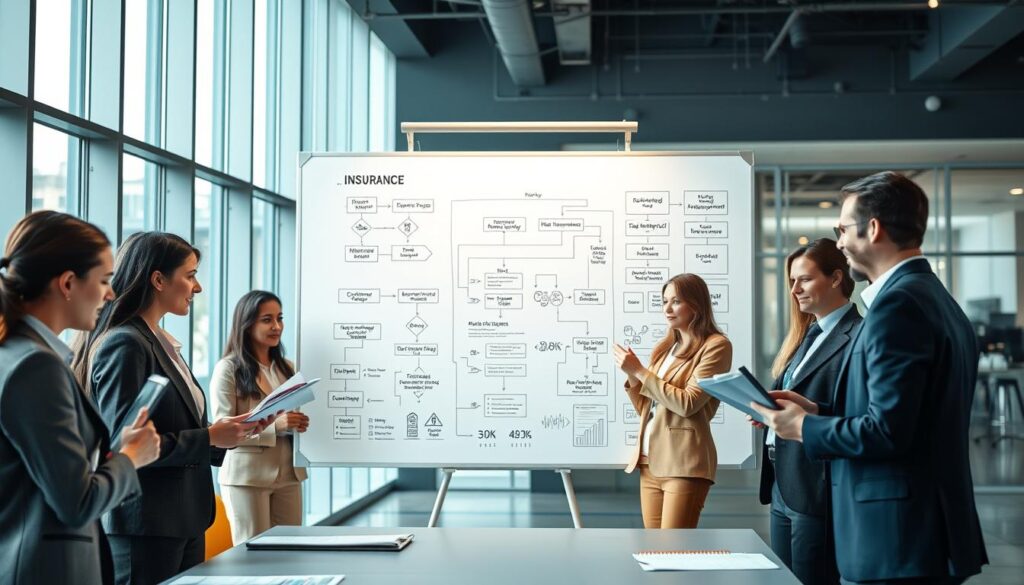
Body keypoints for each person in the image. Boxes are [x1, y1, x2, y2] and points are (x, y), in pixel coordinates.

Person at [752, 172, 988, 584]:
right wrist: (818, 410)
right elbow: (912, 418)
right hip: (920, 533)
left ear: (872, 228)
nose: (839, 243)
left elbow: (888, 431)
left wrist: (806, 426)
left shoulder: (898, 307)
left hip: (895, 538)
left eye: (842, 229)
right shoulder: (932, 296)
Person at [74, 232, 276, 585]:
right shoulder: (126, 343)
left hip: (180, 519)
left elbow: (173, 425)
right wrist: (210, 435)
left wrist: (230, 434)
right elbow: (125, 444)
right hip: (145, 524)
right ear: (157, 280)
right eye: (190, 274)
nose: (197, 287)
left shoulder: (159, 342)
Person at [0, 211, 160, 585]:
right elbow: (77, 502)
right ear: (68, 283)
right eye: (104, 280)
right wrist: (131, 459)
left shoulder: (17, 354)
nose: (110, 294)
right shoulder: (36, 367)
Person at [757, 238, 861, 585]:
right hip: (782, 480)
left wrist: (811, 412)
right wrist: (771, 414)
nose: (794, 290)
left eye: (804, 279)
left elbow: (859, 409)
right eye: (791, 281)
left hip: (816, 483)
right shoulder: (805, 337)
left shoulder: (859, 335)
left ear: (835, 278)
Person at [614, 273, 732, 529]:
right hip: (649, 462)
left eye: (676, 301)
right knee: (656, 551)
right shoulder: (665, 348)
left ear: (697, 304)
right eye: (664, 301)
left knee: (674, 550)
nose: (667, 308)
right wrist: (632, 377)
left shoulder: (716, 345)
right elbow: (646, 409)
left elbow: (688, 403)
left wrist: (640, 372)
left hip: (684, 464)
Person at [211, 290, 309, 545]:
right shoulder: (228, 369)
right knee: (252, 555)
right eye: (267, 319)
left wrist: (301, 422)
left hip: (289, 473)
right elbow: (221, 429)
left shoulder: (288, 367)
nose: (277, 326)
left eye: (279, 318)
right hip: (247, 477)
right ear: (247, 324)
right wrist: (275, 427)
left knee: (289, 553)